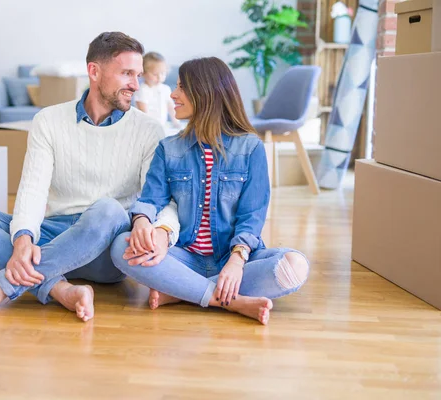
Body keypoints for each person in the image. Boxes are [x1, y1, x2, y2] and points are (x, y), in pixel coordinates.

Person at [0, 32, 180, 322]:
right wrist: (23, 238)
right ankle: (60, 289)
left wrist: (163, 231)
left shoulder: (149, 130)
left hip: (107, 247)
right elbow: (32, 188)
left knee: (108, 208)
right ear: (94, 71)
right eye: (127, 73)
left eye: (138, 75)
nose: (135, 84)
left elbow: (156, 197)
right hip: (55, 235)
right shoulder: (49, 120)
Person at [110, 57, 310, 325]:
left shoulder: (250, 148)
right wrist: (142, 223)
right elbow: (150, 200)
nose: (173, 94)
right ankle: (226, 299)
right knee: (121, 248)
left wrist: (237, 261)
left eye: (182, 87)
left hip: (234, 257)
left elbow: (252, 216)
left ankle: (184, 291)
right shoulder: (168, 149)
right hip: (183, 256)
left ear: (205, 93)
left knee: (295, 266)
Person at [135, 52, 180, 128]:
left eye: (163, 73)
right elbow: (142, 111)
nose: (159, 77)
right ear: (143, 73)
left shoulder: (166, 89)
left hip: (162, 124)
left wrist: (176, 122)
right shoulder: (142, 90)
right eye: (155, 74)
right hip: (146, 126)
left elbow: (171, 107)